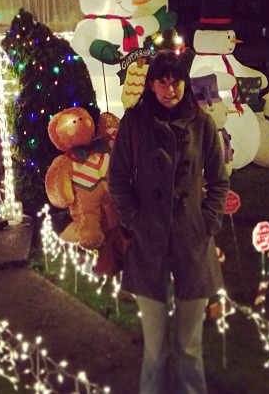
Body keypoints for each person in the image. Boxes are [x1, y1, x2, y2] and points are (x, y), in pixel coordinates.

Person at [108, 49, 229, 393]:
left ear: (184, 84)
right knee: (156, 348)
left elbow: (219, 180)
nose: (168, 88)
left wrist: (208, 222)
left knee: (190, 347)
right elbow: (116, 179)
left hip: (193, 239)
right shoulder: (135, 121)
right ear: (150, 85)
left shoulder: (202, 122)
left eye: (175, 80)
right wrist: (135, 219)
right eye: (161, 81)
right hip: (149, 242)